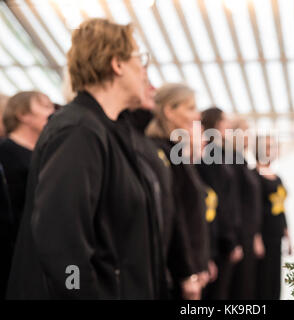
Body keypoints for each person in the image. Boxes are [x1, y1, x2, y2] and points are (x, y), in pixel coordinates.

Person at [7, 18, 166, 299]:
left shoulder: (109, 130)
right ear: (116, 64)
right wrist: (79, 292)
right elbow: (61, 242)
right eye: (139, 59)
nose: (144, 72)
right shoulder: (79, 131)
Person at [147, 83, 210, 300]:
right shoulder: (160, 151)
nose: (197, 115)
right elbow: (176, 214)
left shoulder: (176, 151)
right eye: (190, 108)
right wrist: (187, 271)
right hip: (174, 269)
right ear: (169, 111)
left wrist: (200, 262)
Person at [197, 107, 243, 300]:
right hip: (219, 238)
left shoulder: (221, 152)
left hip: (225, 234)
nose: (228, 125)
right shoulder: (210, 153)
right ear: (215, 124)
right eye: (224, 121)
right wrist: (229, 239)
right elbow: (218, 200)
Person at [0, 91, 55, 238]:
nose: (52, 113)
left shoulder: (48, 151)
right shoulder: (4, 152)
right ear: (23, 114)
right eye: (45, 106)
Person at [228, 116, 263, 299]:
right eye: (245, 131)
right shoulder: (231, 162)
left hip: (249, 235)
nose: (249, 136)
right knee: (241, 290)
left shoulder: (241, 161)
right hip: (241, 236)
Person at [255, 135, 292, 300]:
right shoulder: (254, 176)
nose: (272, 151)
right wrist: (256, 238)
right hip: (262, 236)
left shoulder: (277, 177)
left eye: (273, 147)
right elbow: (252, 210)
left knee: (275, 282)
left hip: (276, 236)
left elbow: (281, 208)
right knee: (262, 280)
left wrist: (288, 235)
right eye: (268, 147)